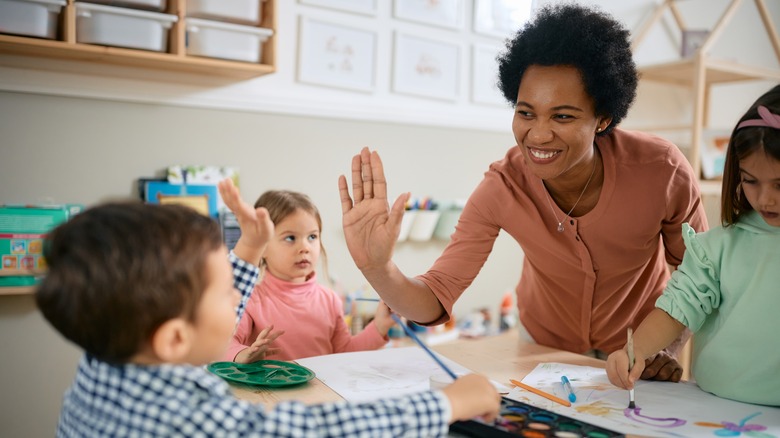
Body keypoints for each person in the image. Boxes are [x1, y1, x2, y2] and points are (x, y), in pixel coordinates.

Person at [339, 3, 708, 381]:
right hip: (543, 346)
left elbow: (699, 276)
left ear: (603, 118)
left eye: (563, 116)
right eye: (526, 112)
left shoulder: (662, 171)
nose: (538, 134)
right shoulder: (503, 186)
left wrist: (662, 347)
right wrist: (378, 268)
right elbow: (434, 298)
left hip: (639, 347)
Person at [37, 179, 500, 436]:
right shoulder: (188, 420)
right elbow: (316, 430)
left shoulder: (105, 362)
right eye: (226, 291)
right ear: (175, 338)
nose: (240, 294)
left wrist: (246, 250)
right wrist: (443, 404)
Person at [606, 85, 780, 406]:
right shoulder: (716, 248)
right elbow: (676, 309)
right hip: (712, 406)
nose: (765, 198)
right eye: (751, 181)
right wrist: (634, 352)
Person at [225, 189, 393, 363]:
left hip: (323, 390)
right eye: (290, 238)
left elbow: (344, 353)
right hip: (272, 391)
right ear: (263, 246)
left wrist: (379, 326)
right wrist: (243, 354)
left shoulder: (330, 300)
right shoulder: (249, 299)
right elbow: (225, 344)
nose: (305, 247)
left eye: (312, 236)